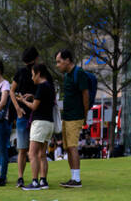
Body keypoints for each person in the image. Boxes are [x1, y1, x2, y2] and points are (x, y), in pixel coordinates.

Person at [16, 61, 56, 189]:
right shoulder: (49, 86)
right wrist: (33, 96)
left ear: (38, 74)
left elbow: (34, 106)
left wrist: (22, 101)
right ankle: (43, 181)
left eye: (33, 74)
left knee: (32, 153)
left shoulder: (41, 86)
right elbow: (43, 101)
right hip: (49, 123)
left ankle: (34, 181)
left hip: (39, 123)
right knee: (42, 154)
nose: (32, 77)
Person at [55, 47, 90, 187]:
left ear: (67, 60)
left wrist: (85, 115)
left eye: (59, 62)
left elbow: (85, 95)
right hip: (67, 115)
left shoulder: (78, 73)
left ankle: (77, 179)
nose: (57, 65)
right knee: (68, 147)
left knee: (72, 146)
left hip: (75, 116)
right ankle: (73, 177)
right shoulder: (67, 75)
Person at [9, 45, 38, 190]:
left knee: (25, 149)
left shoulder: (34, 72)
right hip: (27, 114)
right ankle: (25, 178)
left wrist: (18, 108)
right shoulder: (23, 72)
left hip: (32, 114)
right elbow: (12, 91)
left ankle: (26, 178)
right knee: (27, 149)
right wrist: (18, 108)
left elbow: (11, 91)